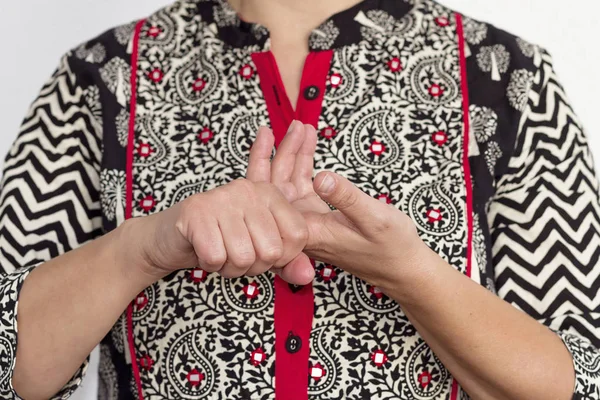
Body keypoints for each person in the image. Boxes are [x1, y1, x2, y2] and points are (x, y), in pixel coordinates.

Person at [0, 0, 598, 398]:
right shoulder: (102, 75)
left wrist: (411, 275)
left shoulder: (502, 74)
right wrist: (144, 249)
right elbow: (10, 362)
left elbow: (578, 376)